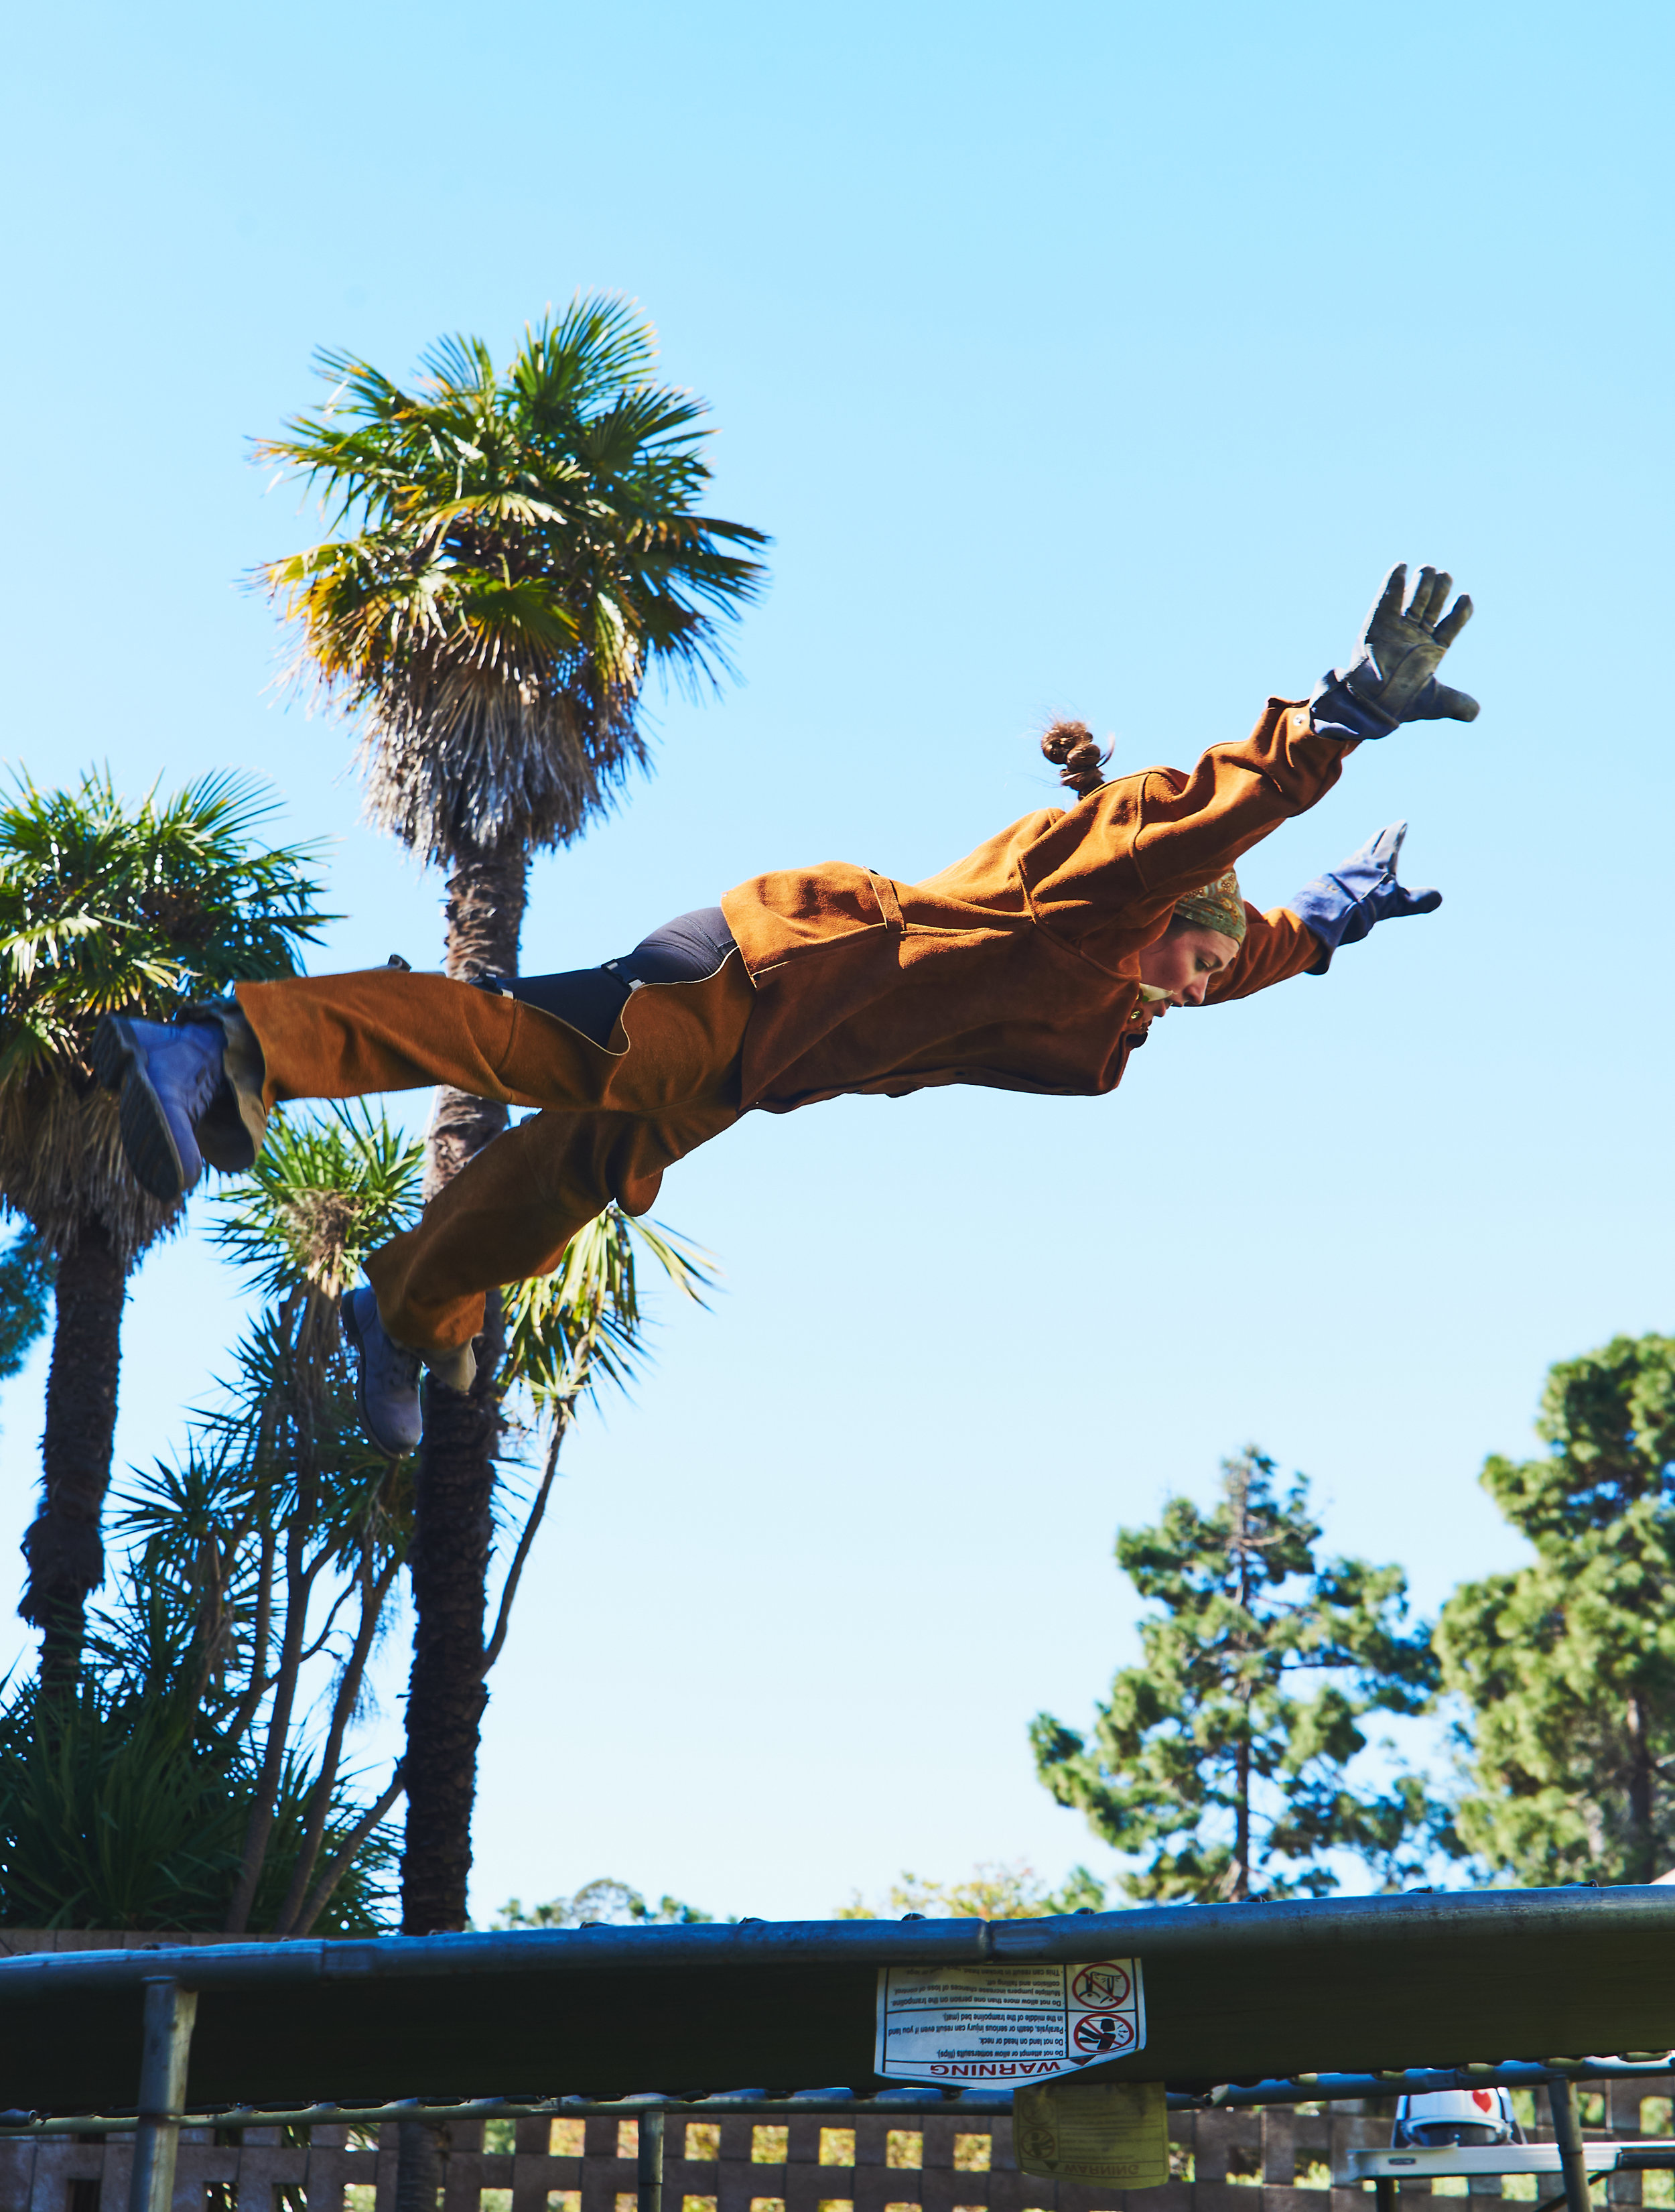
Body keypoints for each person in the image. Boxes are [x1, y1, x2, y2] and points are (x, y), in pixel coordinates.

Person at [94, 562, 1476, 1455]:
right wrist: (1339, 720)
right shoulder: (1099, 893)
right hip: (756, 973)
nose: (1198, 989)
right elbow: (1196, 824)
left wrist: (1337, 913)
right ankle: (223, 1046)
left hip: (764, 1063)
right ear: (1167, 915)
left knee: (569, 1175)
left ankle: (404, 1310)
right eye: (1197, 961)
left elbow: (1258, 945)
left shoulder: (1142, 984)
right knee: (521, 1042)